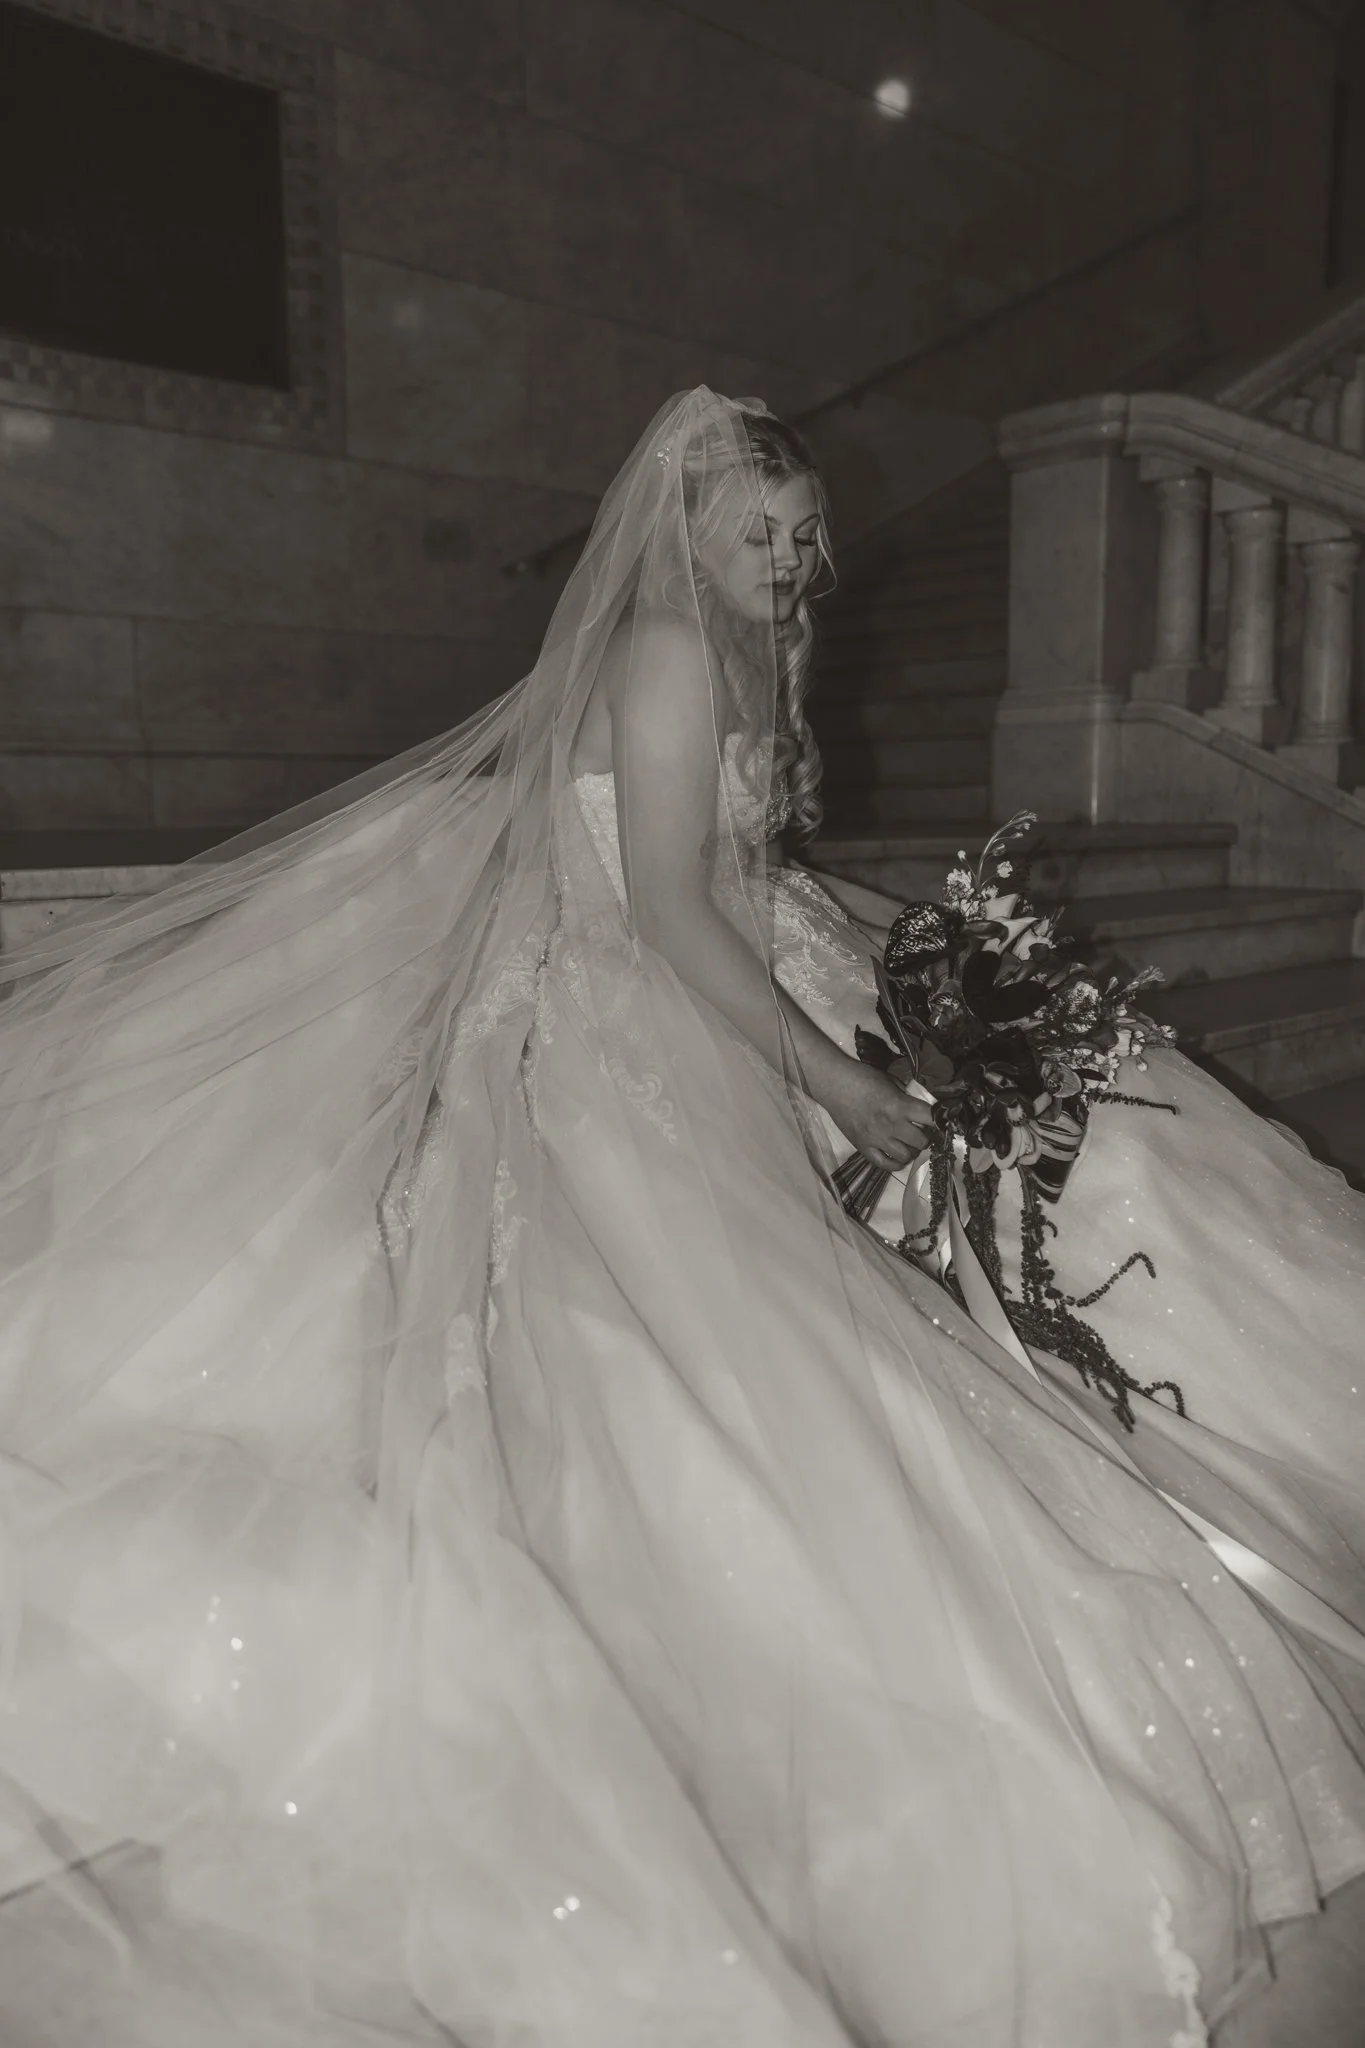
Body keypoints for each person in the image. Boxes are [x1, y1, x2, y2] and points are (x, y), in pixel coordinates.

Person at [0, 387, 1362, 2048]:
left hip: (742, 953)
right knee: (727, 1343)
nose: (787, 563)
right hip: (634, 1005)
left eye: (800, 537)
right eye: (754, 534)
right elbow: (657, 908)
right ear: (681, 529)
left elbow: (747, 871)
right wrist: (835, 1079)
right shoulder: (660, 649)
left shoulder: (755, 645)